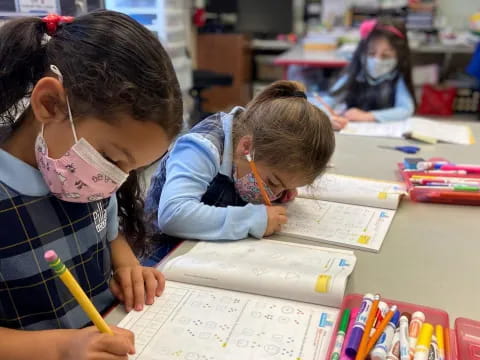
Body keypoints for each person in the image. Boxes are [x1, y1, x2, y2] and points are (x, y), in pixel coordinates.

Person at [0, 11, 183, 360]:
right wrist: (63, 348)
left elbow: (108, 232)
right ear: (49, 104)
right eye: (112, 159)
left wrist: (128, 267)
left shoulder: (82, 176)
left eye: (132, 169)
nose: (115, 179)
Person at [145, 81, 335, 244]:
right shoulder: (201, 147)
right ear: (246, 147)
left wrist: (282, 189)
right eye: (273, 182)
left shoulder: (254, 138)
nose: (274, 193)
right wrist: (251, 220)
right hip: (161, 251)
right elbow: (173, 215)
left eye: (285, 187)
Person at [319, 18, 415, 130]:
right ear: (361, 53)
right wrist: (327, 118)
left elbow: (406, 109)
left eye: (386, 56)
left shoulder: (397, 78)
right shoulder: (354, 75)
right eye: (371, 53)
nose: (377, 60)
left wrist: (367, 116)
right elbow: (327, 101)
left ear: (399, 57)